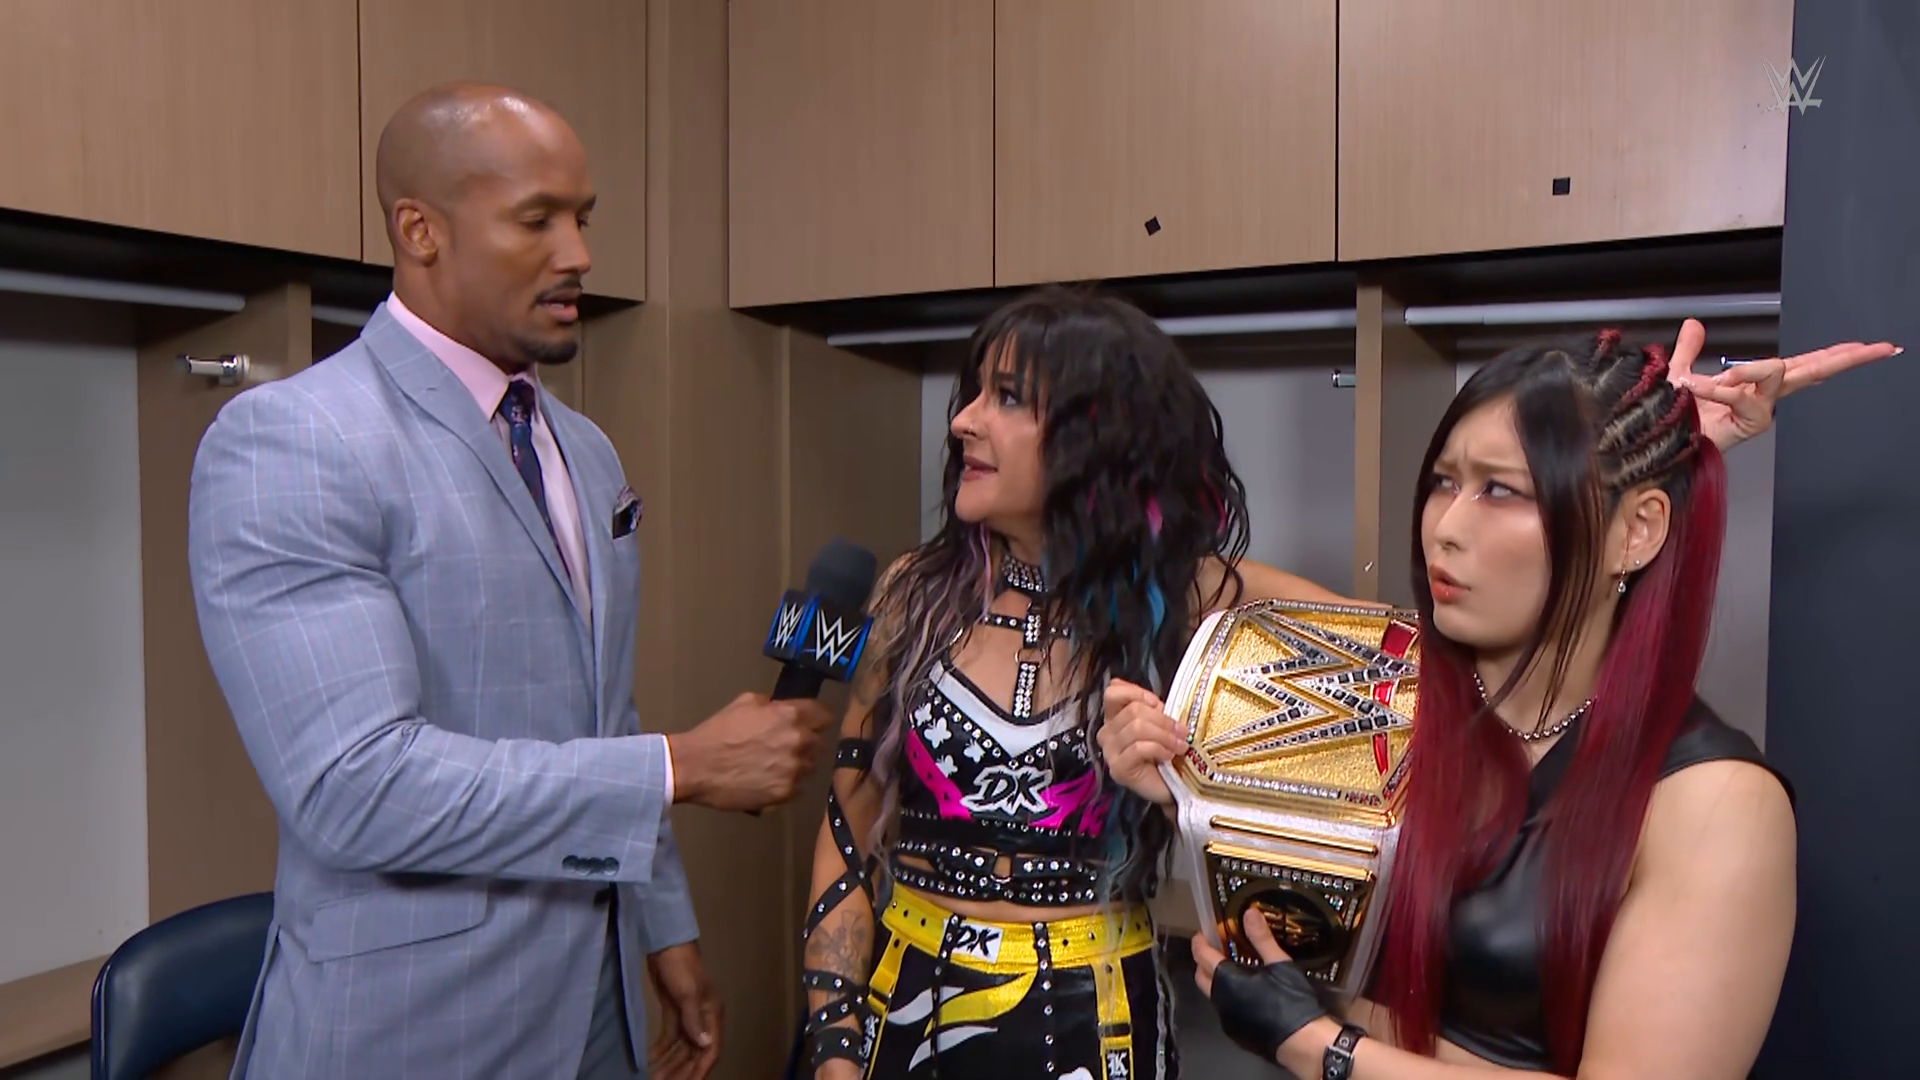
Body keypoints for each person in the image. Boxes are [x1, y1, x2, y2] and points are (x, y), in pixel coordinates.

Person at [795, 282, 1891, 1080]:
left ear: (1095, 440)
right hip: (904, 1010)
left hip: (1096, 1026)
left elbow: (1409, 644)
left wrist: (1633, 474)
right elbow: (847, 826)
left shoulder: (1192, 601)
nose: (963, 421)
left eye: (1007, 398)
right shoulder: (911, 596)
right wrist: (836, 1041)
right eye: (1444, 484)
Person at [187, 83, 835, 1080]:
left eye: (583, 219)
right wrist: (683, 768)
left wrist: (663, 926)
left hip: (601, 1007)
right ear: (421, 231)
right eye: (537, 220)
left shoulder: (584, 447)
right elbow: (355, 787)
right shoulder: (296, 440)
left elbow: (601, 716)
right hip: (413, 1032)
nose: (578, 254)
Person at [1103, 329, 1869, 1079]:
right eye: (1445, 482)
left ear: (1638, 531)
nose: (1446, 528)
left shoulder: (1718, 805)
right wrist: (1189, 794)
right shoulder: (1401, 700)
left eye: (1500, 490)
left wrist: (1322, 1049)